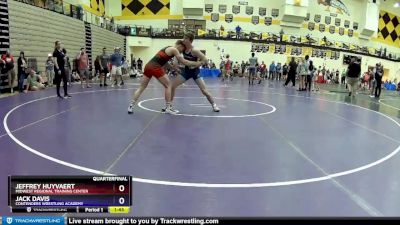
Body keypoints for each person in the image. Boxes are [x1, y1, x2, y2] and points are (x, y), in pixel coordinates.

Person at [127, 40, 202, 114]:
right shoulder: (174, 49)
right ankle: (168, 108)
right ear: (180, 46)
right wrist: (198, 63)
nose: (181, 52)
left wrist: (174, 69)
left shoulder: (167, 48)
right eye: (182, 49)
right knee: (168, 85)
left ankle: (131, 106)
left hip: (148, 66)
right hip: (155, 67)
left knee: (142, 87)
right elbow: (184, 61)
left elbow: (165, 63)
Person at [169, 33, 220, 113]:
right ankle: (169, 106)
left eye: (185, 38)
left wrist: (196, 64)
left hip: (195, 72)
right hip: (186, 72)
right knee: (172, 86)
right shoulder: (183, 48)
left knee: (204, 91)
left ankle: (214, 105)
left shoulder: (194, 50)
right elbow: (177, 52)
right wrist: (176, 62)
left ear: (190, 40)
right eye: (183, 38)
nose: (183, 39)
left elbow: (205, 60)